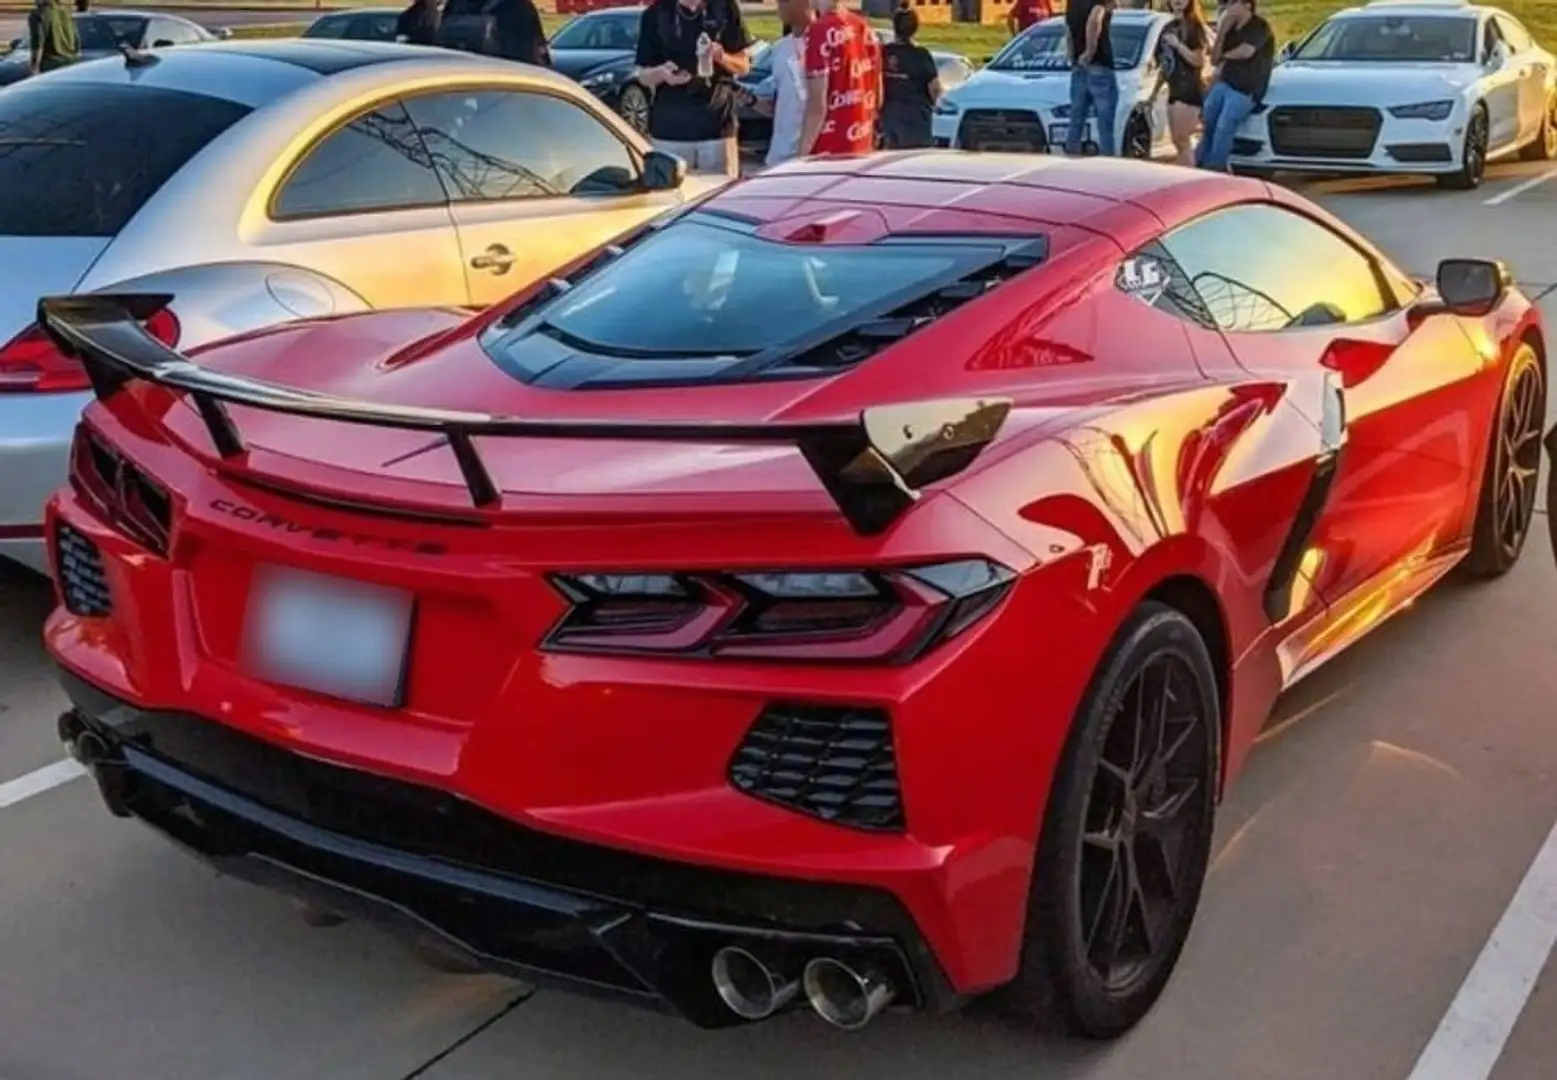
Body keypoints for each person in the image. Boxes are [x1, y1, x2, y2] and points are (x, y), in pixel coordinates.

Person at [633, 0, 752, 177]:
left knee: (720, 196)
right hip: (669, 132)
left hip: (717, 128)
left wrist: (722, 57)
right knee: (672, 201)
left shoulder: (724, 8)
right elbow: (642, 75)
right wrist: (662, 74)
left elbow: (744, 66)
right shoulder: (656, 13)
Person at [1195, 0, 1272, 171]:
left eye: (1232, 3)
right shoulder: (1229, 28)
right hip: (1225, 82)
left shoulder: (1259, 26)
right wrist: (1222, 31)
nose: (1228, 7)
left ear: (1247, 5)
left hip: (1247, 88)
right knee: (1209, 120)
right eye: (1225, 4)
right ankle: (1199, 162)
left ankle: (1216, 166)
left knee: (1225, 124)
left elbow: (1246, 52)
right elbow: (1214, 59)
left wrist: (1225, 55)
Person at [799, 0, 881, 158]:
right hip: (862, 145)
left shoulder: (819, 32)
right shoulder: (864, 27)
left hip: (828, 148)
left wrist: (802, 155)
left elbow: (817, 106)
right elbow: (878, 95)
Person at [752, 0, 813, 167]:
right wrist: (751, 101)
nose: (779, 5)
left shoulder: (824, 43)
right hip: (780, 154)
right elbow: (775, 103)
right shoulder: (780, 48)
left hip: (813, 154)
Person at [1156, 0, 1208, 165]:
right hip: (1173, 89)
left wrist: (1178, 44)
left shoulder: (1194, 27)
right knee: (1177, 142)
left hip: (1189, 90)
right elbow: (1164, 64)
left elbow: (1198, 60)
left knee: (1183, 141)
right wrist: (1154, 92)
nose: (1178, 1)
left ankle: (1191, 178)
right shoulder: (1167, 27)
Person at [880, 7, 939, 150]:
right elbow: (934, 88)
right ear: (915, 28)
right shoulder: (921, 55)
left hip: (888, 113)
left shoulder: (882, 52)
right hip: (916, 115)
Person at [1063, 0, 1116, 156]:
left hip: (1078, 67)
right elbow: (1095, 19)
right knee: (1105, 125)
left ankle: (1071, 159)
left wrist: (1072, 55)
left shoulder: (1072, 3)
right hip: (1100, 64)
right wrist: (1089, 52)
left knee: (1076, 121)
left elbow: (1067, 30)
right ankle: (1108, 165)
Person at [436, 0, 547, 65]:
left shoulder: (455, 5)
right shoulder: (518, 8)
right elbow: (536, 65)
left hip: (455, 90)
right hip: (503, 93)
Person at [28, 0, 78, 76]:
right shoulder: (66, 13)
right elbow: (76, 41)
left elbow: (37, 43)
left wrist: (34, 69)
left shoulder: (39, 14)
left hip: (51, 65)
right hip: (71, 63)